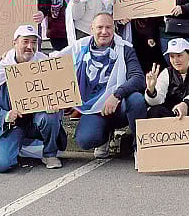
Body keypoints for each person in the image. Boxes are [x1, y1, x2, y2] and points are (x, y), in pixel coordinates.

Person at [53, 12, 147, 160]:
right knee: (85, 140)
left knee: (136, 99)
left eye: (108, 27)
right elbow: (51, 62)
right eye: (100, 27)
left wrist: (117, 94)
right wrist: (8, 59)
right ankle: (104, 137)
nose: (104, 31)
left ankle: (140, 149)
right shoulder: (79, 48)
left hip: (118, 106)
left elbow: (138, 78)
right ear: (91, 29)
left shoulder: (125, 48)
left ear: (114, 29)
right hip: (93, 108)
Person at [0, 25, 66, 172]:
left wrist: (56, 104)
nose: (30, 46)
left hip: (36, 121)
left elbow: (61, 91)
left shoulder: (45, 63)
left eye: (34, 42)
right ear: (15, 43)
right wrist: (5, 115)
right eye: (25, 41)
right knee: (2, 165)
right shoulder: (1, 68)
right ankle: (10, 146)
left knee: (51, 116)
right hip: (11, 125)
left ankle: (50, 154)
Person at [144, 38, 189, 119]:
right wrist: (151, 90)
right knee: (155, 111)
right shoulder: (166, 72)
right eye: (172, 56)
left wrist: (186, 104)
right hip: (171, 115)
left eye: (179, 55)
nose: (176, 60)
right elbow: (157, 101)